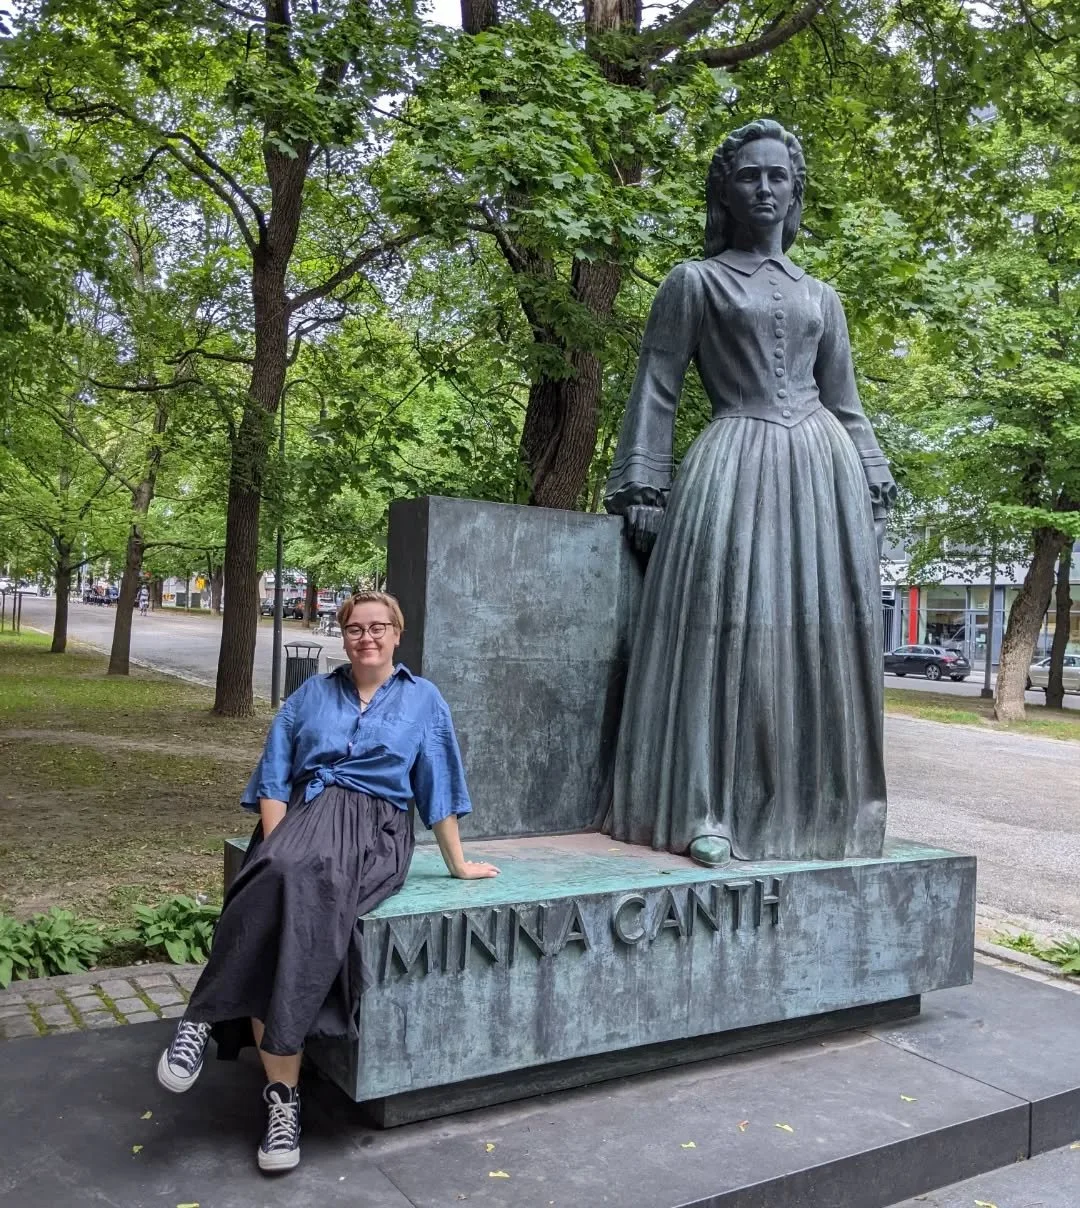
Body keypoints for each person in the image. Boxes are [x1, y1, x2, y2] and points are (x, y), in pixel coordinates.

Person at [604, 119, 896, 868]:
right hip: (733, 465)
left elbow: (847, 400)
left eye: (778, 176)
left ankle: (817, 809)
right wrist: (643, 481)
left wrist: (873, 472)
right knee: (725, 631)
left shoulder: (823, 297)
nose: (764, 188)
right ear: (725, 191)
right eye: (749, 176)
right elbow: (659, 387)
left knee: (818, 637)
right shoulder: (693, 282)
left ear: (795, 190)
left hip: (822, 472)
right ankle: (706, 806)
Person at [154, 590, 498, 1173]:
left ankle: (202, 1016)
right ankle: (281, 1101)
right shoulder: (312, 693)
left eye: (378, 627)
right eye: (355, 628)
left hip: (374, 830)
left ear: (397, 634)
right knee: (280, 888)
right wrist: (277, 848)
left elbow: (438, 787)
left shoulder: (423, 700)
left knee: (285, 882)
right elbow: (273, 778)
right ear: (342, 636)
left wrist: (458, 863)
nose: (367, 637)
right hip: (302, 824)